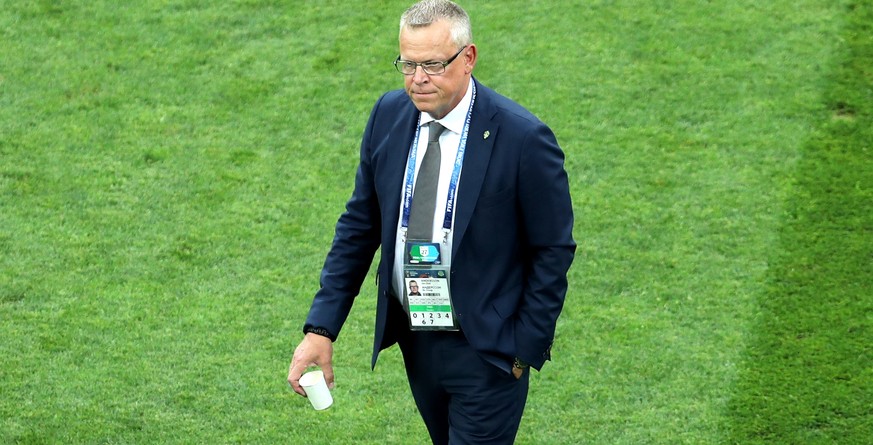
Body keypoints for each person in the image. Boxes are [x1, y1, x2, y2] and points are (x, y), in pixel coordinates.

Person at [287, 1, 575, 443]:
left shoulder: (523, 138)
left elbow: (552, 249)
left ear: (469, 58)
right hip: (416, 340)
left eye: (433, 65)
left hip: (487, 351)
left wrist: (523, 348)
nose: (418, 79)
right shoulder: (388, 114)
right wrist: (321, 328)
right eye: (408, 63)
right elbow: (359, 226)